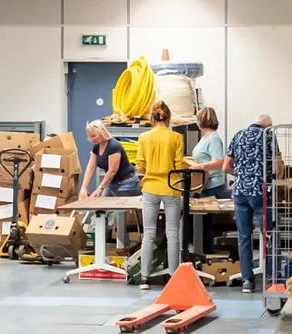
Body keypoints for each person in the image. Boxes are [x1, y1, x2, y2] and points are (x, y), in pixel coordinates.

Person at [223, 114, 283, 294]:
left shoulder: (237, 135)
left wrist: (242, 177)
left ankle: (247, 280)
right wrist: (274, 178)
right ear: (268, 126)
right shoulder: (269, 136)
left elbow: (226, 167)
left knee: (244, 237)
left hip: (240, 192)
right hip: (261, 192)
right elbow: (279, 168)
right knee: (269, 235)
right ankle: (272, 279)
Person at [135, 101, 186, 290]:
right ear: (168, 117)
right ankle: (174, 276)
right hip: (171, 188)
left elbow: (140, 165)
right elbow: (179, 165)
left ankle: (144, 278)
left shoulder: (143, 137)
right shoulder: (176, 137)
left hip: (149, 188)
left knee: (148, 233)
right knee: (173, 233)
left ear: (152, 118)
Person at [186, 107, 226, 253]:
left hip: (212, 185)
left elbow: (219, 161)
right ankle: (200, 251)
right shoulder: (205, 137)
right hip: (203, 184)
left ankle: (206, 253)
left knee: (204, 222)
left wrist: (200, 165)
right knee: (197, 221)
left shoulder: (214, 139)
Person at [79, 120, 140, 198]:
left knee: (120, 208)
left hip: (126, 182)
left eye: (94, 136)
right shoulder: (97, 146)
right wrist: (84, 187)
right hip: (112, 182)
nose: (92, 139)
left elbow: (112, 170)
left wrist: (100, 188)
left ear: (103, 132)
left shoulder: (113, 146)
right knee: (103, 207)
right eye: (90, 136)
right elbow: (90, 168)